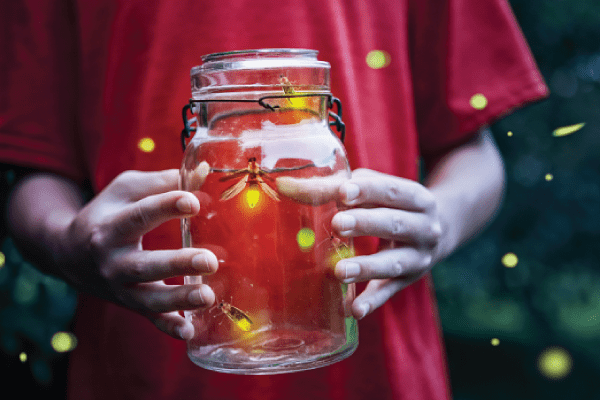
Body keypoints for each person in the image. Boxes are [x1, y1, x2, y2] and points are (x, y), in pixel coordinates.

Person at [0, 0, 547, 399]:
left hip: (383, 374)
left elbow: (474, 154)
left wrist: (443, 219)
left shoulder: (314, 140)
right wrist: (65, 239)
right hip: (141, 373)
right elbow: (31, 169)